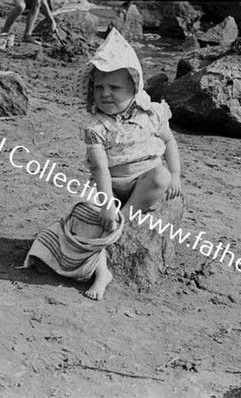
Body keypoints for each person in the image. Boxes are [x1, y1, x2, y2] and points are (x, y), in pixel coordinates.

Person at [73, 28, 182, 299]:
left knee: (161, 176)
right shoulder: (97, 127)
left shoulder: (151, 114)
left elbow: (169, 142)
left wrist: (177, 174)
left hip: (141, 181)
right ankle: (101, 272)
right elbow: (99, 168)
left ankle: (126, 217)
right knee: (85, 217)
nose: (105, 94)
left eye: (114, 88)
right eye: (99, 87)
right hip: (111, 182)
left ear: (134, 88)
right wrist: (107, 203)